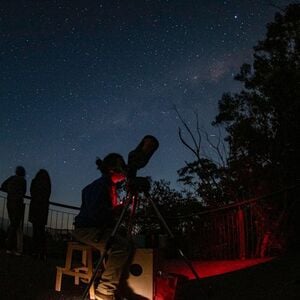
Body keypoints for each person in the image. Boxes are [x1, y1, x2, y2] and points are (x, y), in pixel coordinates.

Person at [73, 153, 133, 300]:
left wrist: (115, 210)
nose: (124, 172)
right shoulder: (100, 186)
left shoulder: (107, 186)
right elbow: (96, 214)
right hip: (87, 230)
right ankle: (104, 291)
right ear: (113, 169)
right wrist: (117, 210)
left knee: (121, 242)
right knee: (120, 247)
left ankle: (115, 285)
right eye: (122, 168)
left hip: (92, 228)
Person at [1, 166, 27, 255]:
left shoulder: (12, 178)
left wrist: (10, 191)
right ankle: (14, 248)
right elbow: (23, 192)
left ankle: (9, 247)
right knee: (15, 225)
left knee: (13, 224)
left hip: (10, 202)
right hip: (18, 204)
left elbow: (3, 186)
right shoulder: (23, 181)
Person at [29, 169, 51, 260]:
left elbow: (31, 192)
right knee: (41, 232)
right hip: (43, 209)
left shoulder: (34, 182)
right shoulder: (47, 183)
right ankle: (43, 253)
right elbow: (48, 195)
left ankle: (34, 252)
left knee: (35, 231)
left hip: (35, 208)